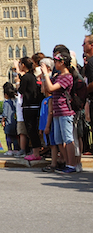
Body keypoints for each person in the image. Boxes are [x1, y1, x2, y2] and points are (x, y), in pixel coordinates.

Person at [41, 45, 79, 173]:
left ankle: (71, 164)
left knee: (68, 139)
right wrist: (45, 76)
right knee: (58, 140)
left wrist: (46, 74)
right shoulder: (57, 76)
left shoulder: (67, 77)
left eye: (56, 61)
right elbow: (46, 89)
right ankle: (65, 162)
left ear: (62, 62)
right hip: (57, 112)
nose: (55, 63)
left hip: (65, 112)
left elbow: (51, 88)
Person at [2, 82, 17, 155]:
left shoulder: (6, 102)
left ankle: (10, 149)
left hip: (8, 122)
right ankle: (16, 149)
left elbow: (5, 114)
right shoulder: (15, 101)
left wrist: (3, 121)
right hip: (15, 122)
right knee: (15, 137)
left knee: (8, 136)